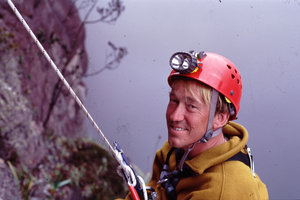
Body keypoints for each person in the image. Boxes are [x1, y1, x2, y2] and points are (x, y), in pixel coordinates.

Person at [122, 50, 268, 200]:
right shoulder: (174, 151)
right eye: (174, 100)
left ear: (220, 118)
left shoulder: (223, 191)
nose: (174, 116)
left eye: (191, 106)